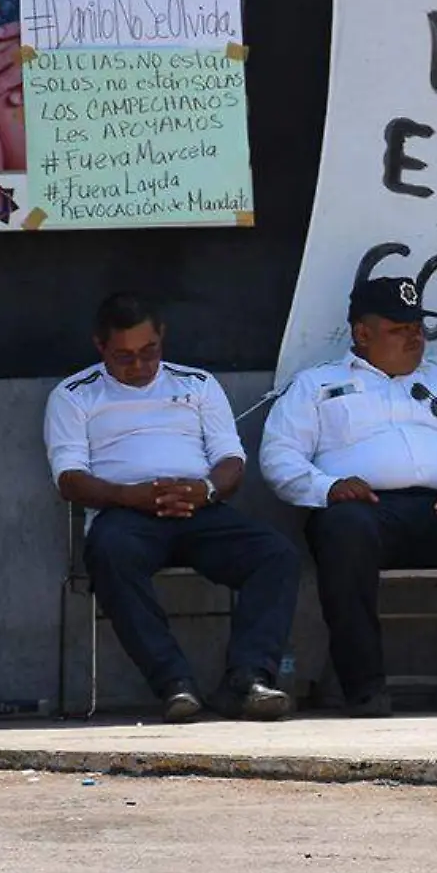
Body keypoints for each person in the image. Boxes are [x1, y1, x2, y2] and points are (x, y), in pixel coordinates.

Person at [261, 276, 437, 718]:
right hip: (366, 513)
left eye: (417, 327)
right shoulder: (316, 385)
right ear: (362, 334)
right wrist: (328, 487)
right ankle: (364, 686)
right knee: (343, 530)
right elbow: (279, 456)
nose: (414, 337)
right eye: (399, 329)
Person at [44, 293, 299, 722]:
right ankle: (174, 684)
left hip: (199, 509)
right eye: (124, 357)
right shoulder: (74, 395)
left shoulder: (196, 384)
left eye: (149, 352)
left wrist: (207, 491)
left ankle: (248, 680)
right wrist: (129, 496)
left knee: (276, 555)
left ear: (162, 337)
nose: (140, 367)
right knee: (109, 554)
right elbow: (69, 479)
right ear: (100, 346)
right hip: (125, 513)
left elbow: (231, 460)